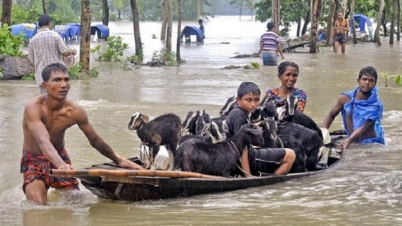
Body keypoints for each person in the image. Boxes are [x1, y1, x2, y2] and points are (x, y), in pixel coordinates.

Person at [20, 63, 142, 205]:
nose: (64, 85)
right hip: (34, 160)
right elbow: (43, 141)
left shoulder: (75, 111)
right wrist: (61, 165)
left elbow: (95, 140)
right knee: (38, 207)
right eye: (57, 80)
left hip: (60, 156)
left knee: (75, 202)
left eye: (66, 80)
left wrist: (117, 160)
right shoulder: (33, 107)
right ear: (45, 86)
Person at [225, 82, 295, 177]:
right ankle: (271, 181)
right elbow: (242, 148)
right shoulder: (239, 115)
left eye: (256, 100)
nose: (253, 104)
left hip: (233, 156)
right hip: (240, 158)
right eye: (248, 100)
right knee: (290, 155)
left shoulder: (240, 112)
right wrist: (247, 176)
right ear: (238, 100)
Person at [322, 66, 385, 150]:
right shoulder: (345, 98)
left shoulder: (376, 104)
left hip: (370, 142)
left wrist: (349, 140)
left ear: (374, 84)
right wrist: (322, 134)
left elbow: (363, 127)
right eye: (364, 79)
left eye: (371, 80)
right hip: (352, 140)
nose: (367, 83)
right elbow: (331, 115)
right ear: (358, 81)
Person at [28, 14, 77, 94]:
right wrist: (72, 51)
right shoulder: (56, 36)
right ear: (49, 23)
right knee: (59, 100)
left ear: (39, 25)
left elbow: (30, 59)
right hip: (57, 75)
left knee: (46, 100)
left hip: (42, 76)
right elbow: (64, 52)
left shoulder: (33, 40)